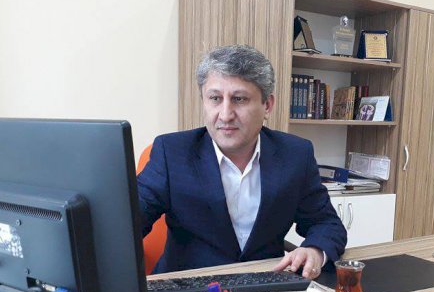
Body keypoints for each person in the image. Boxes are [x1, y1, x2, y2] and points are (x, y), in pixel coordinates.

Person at [137, 45, 346, 279]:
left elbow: (326, 223)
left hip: (263, 287)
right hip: (188, 290)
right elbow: (128, 221)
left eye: (239, 99)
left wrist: (315, 251)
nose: (225, 114)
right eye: (215, 98)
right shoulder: (172, 153)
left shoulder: (295, 155)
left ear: (267, 105)